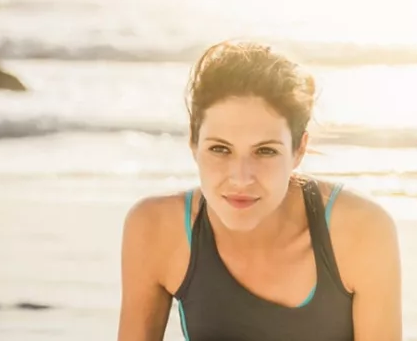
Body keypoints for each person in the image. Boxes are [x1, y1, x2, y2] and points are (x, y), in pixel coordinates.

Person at [118, 41, 402, 341]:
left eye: (265, 151)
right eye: (219, 149)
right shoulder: (156, 230)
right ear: (193, 143)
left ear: (298, 150)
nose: (241, 178)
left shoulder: (360, 232)